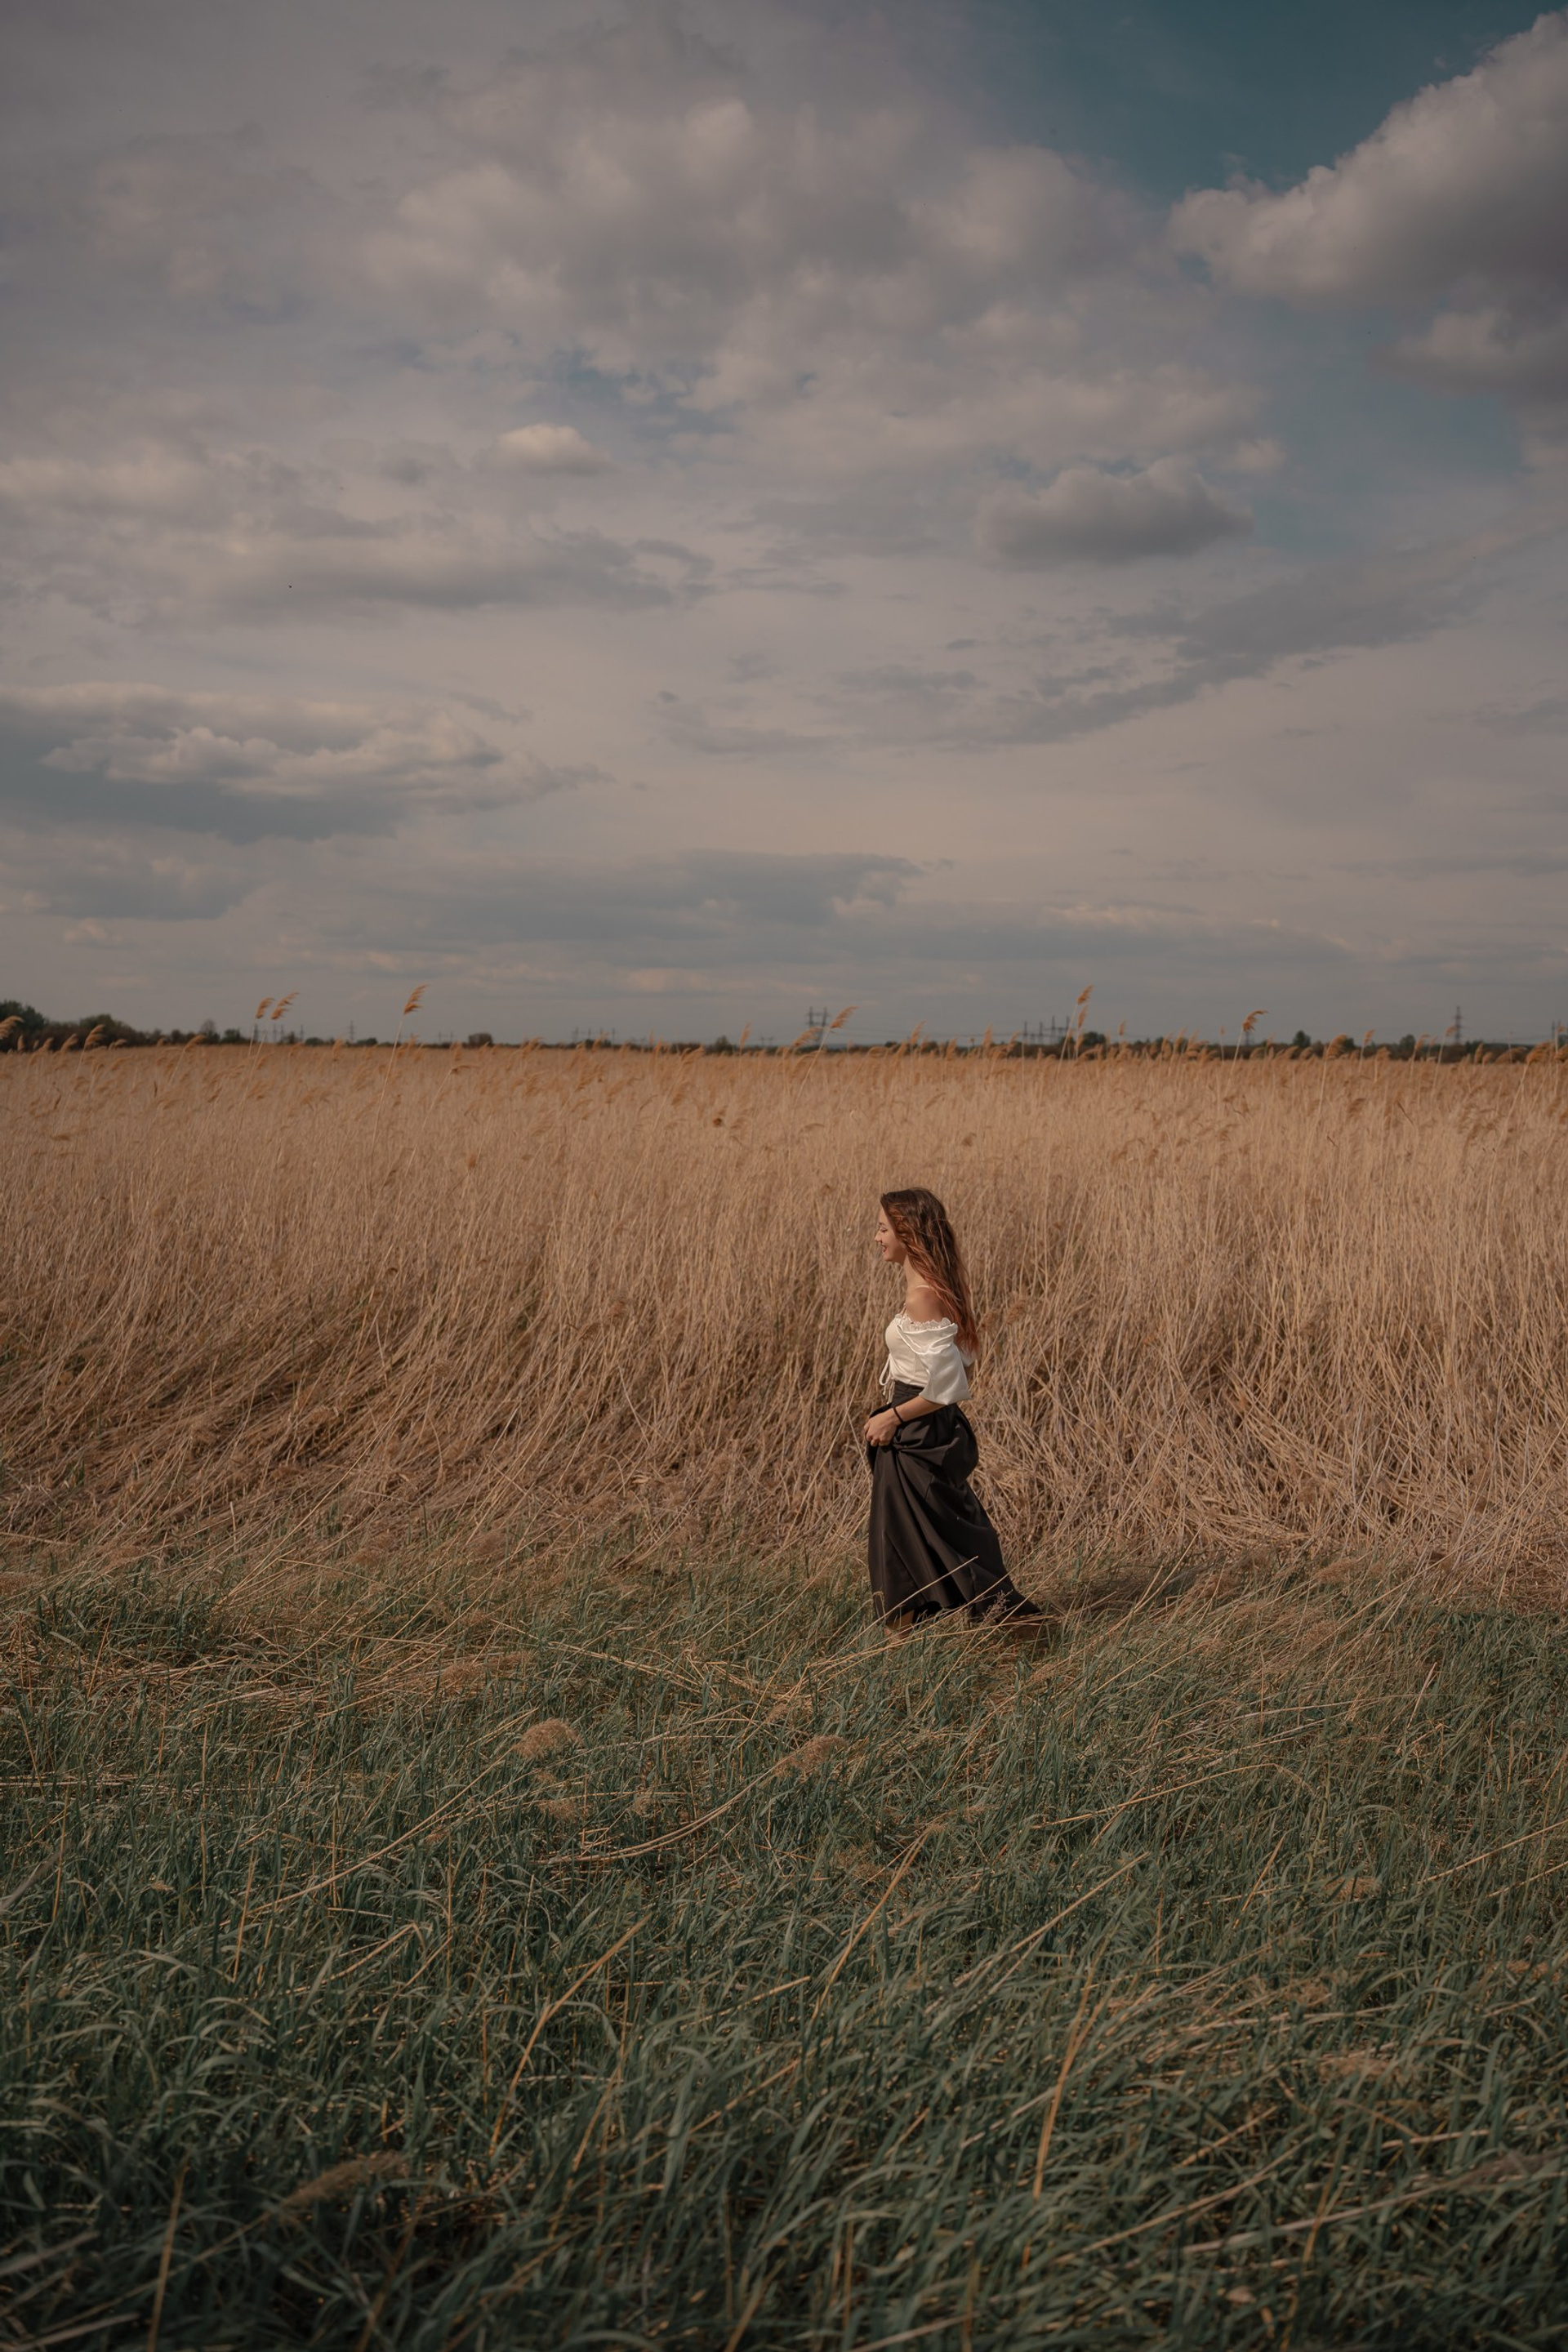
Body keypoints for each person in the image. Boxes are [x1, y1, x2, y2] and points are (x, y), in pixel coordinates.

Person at [863, 1187, 1042, 1633]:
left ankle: (1008, 1622)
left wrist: (893, 1416)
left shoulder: (923, 1298)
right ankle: (916, 1639)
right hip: (923, 1429)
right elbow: (961, 1364)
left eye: (883, 1229)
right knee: (919, 1534)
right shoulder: (936, 1289)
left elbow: (949, 1386)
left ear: (907, 1233)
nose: (877, 1238)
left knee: (909, 1537)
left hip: (915, 1432)